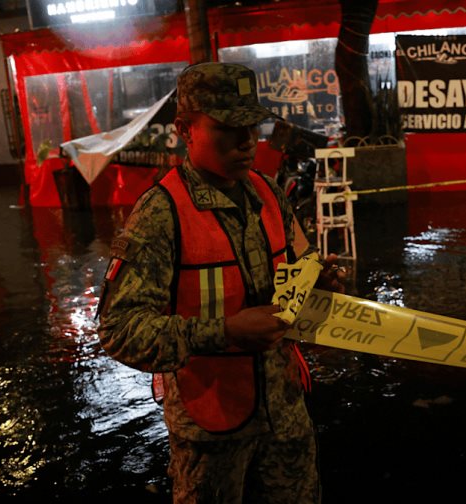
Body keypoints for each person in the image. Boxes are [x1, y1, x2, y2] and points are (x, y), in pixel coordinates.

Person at [97, 61, 345, 503]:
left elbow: (300, 267)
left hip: (285, 419)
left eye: (253, 124)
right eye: (228, 127)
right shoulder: (160, 215)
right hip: (209, 435)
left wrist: (321, 282)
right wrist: (225, 330)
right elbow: (119, 332)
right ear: (184, 129)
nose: (247, 140)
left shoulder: (268, 194)